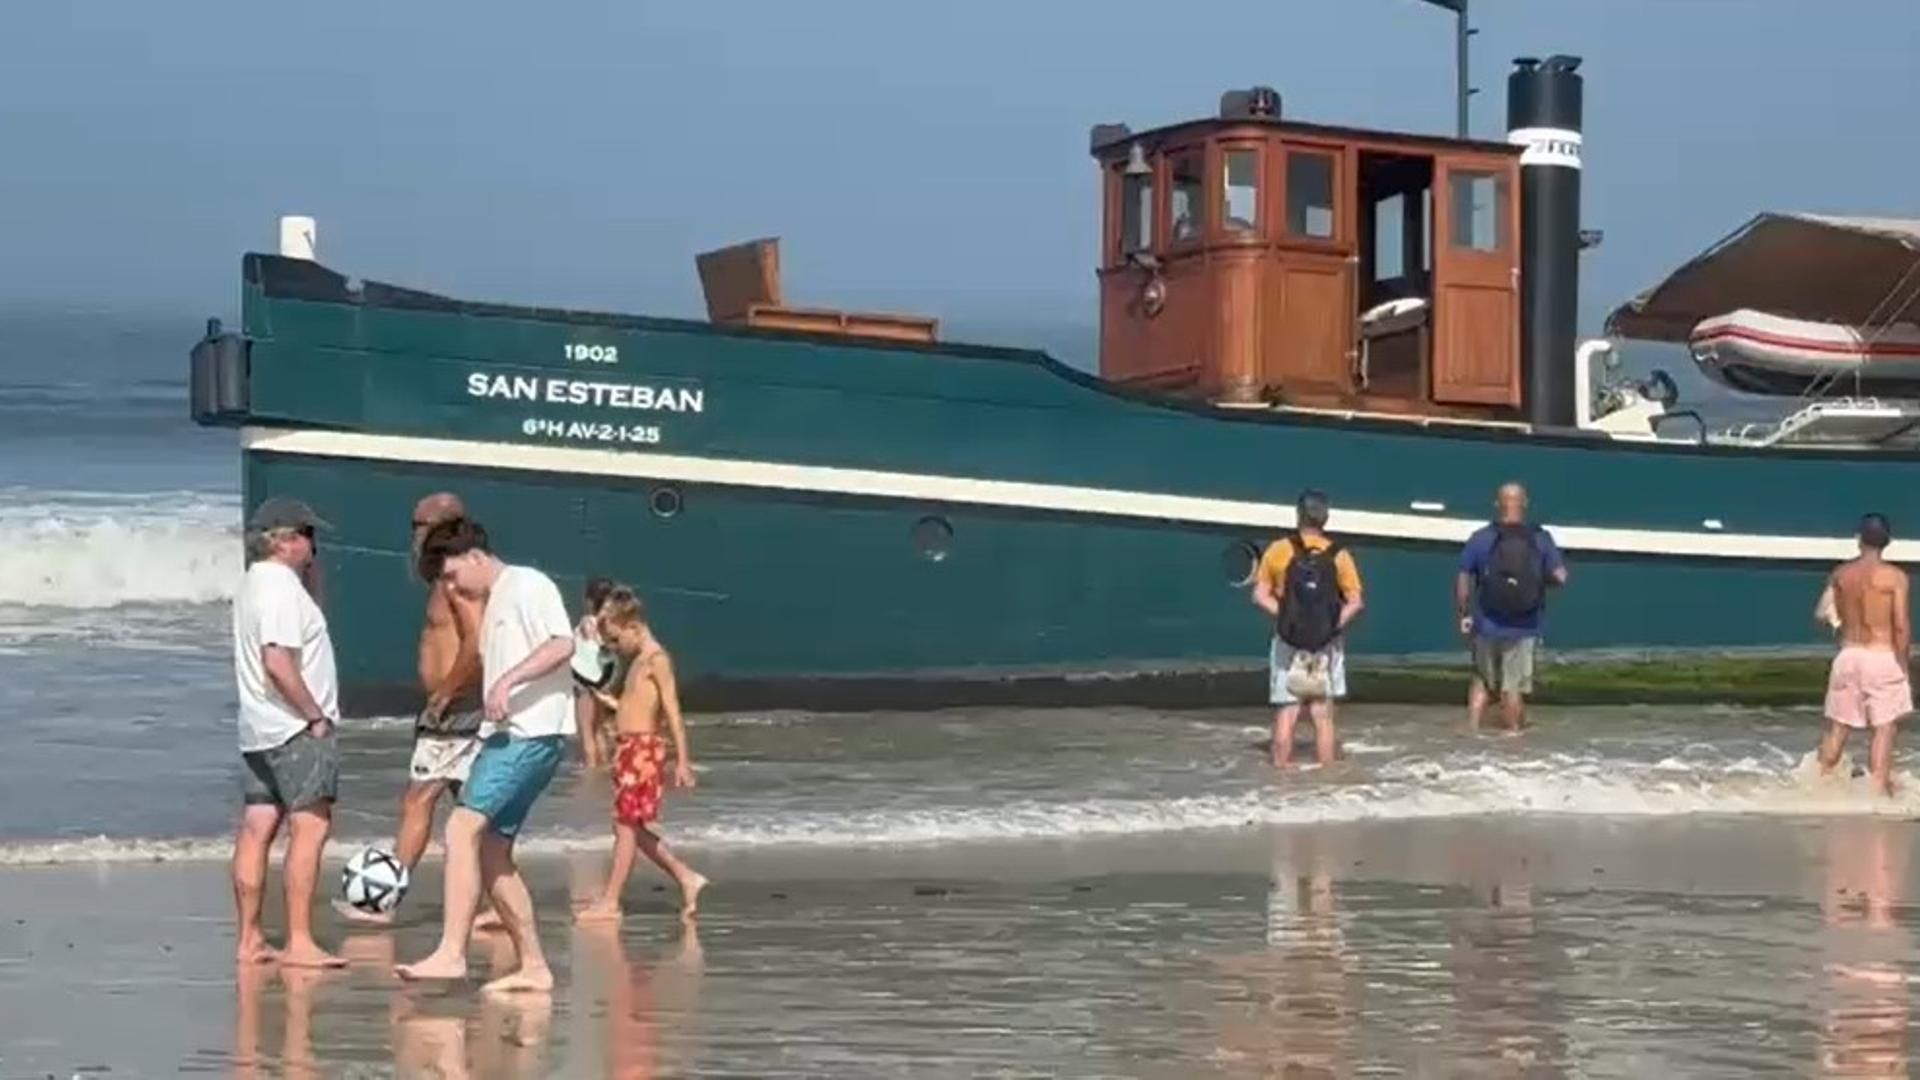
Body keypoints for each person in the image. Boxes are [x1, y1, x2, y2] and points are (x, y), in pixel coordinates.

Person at [396, 518, 576, 992]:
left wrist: (507, 680)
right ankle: (534, 966)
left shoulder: (527, 585)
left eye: (454, 575)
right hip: (506, 735)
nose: (452, 586)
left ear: (476, 557)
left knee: (461, 828)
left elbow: (563, 643)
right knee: (494, 851)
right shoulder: (497, 596)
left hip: (530, 733)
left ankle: (452, 954)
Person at [335, 494, 492, 927]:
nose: (414, 534)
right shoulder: (454, 578)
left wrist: (444, 694)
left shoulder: (455, 580)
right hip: (463, 709)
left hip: (454, 711)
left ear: (442, 528)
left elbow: (476, 644)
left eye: (419, 525)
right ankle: (494, 904)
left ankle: (382, 901)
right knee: (475, 810)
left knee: (418, 800)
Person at [230, 496, 346, 968]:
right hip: (293, 727)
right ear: (285, 541)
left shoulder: (255, 585)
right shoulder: (278, 590)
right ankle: (299, 940)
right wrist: (314, 715)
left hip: (258, 728)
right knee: (310, 828)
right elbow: (277, 660)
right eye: (308, 536)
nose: (314, 547)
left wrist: (311, 579)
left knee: (258, 828)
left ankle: (249, 938)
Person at [575, 587, 708, 922]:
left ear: (633, 626)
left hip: (642, 751)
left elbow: (672, 710)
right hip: (629, 750)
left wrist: (683, 761)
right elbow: (636, 708)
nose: (617, 649)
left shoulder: (656, 660)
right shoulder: (637, 662)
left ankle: (611, 901)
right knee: (630, 829)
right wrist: (612, 705)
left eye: (618, 640)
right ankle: (686, 877)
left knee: (625, 827)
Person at [1252, 490, 1365, 767]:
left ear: (1299, 515)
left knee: (1287, 712)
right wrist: (1328, 625)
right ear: (1325, 518)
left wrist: (1288, 617)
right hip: (1326, 645)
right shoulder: (1340, 555)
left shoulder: (1279, 550)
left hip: (1288, 640)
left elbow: (1259, 595)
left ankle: (1281, 775)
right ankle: (1325, 778)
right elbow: (1356, 602)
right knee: (1322, 715)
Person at [1455, 482, 1568, 734]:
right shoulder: (1540, 538)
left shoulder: (1482, 538)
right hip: (1525, 626)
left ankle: (1471, 731)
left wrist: (1464, 614)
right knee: (1512, 686)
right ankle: (1513, 738)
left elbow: (1463, 578)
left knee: (1482, 679)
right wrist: (1538, 581)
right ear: (1525, 503)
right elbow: (1561, 577)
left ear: (1497, 504)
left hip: (1486, 624)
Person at [1815, 513, 1910, 797]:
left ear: (1859, 540)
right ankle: (1878, 791)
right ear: (1887, 542)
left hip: (1848, 654)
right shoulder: (1895, 577)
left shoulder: (1842, 574)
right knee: (1884, 729)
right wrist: (1903, 665)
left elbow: (1821, 612)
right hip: (1882, 656)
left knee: (1838, 728)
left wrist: (1839, 622)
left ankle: (1818, 786)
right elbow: (1901, 625)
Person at [570, 576, 619, 769]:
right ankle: (604, 766)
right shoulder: (611, 625)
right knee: (598, 728)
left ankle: (591, 772)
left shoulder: (587, 621)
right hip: (602, 680)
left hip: (585, 683)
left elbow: (590, 636)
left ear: (589, 600)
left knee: (586, 731)